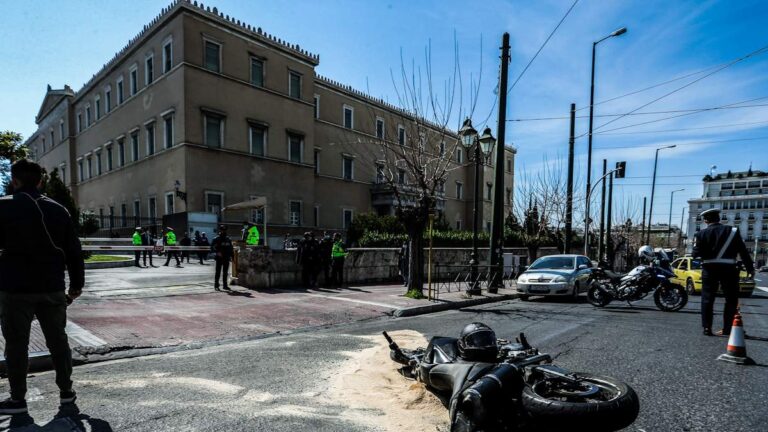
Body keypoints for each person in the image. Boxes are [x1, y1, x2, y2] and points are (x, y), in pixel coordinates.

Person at [0, 160, 83, 414]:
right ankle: (67, 392)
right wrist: (76, 286)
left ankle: (17, 399)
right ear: (40, 181)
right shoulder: (59, 209)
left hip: (15, 289)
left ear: (14, 181)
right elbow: (73, 251)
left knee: (16, 345)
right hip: (52, 287)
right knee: (58, 342)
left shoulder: (3, 207)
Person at [693, 208, 755, 336]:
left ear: (705, 220)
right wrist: (750, 268)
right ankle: (727, 328)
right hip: (729, 269)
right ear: (719, 219)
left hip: (709, 269)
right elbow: (743, 252)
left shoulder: (701, 234)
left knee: (707, 299)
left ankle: (707, 328)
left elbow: (695, 254)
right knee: (731, 299)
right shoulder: (732, 231)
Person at [210, 225, 234, 291]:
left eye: (225, 230)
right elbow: (212, 248)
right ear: (220, 230)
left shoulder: (228, 239)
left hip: (226, 258)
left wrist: (232, 257)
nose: (224, 231)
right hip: (219, 258)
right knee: (218, 272)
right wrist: (217, 252)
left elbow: (231, 249)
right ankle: (216, 285)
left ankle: (225, 285)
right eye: (222, 230)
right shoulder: (216, 239)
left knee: (225, 272)